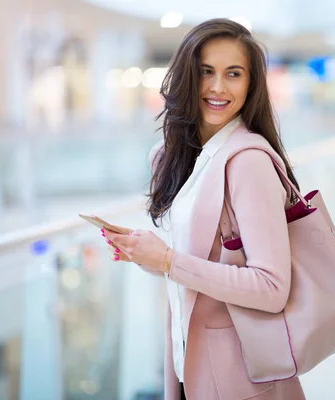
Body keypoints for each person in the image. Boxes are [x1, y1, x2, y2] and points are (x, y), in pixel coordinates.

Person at [103, 18, 306, 400]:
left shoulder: (247, 162)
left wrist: (167, 260)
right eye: (205, 72)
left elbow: (271, 288)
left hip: (239, 378)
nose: (217, 87)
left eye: (233, 74)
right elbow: (199, 264)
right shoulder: (182, 158)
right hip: (189, 365)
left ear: (251, 84)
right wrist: (146, 255)